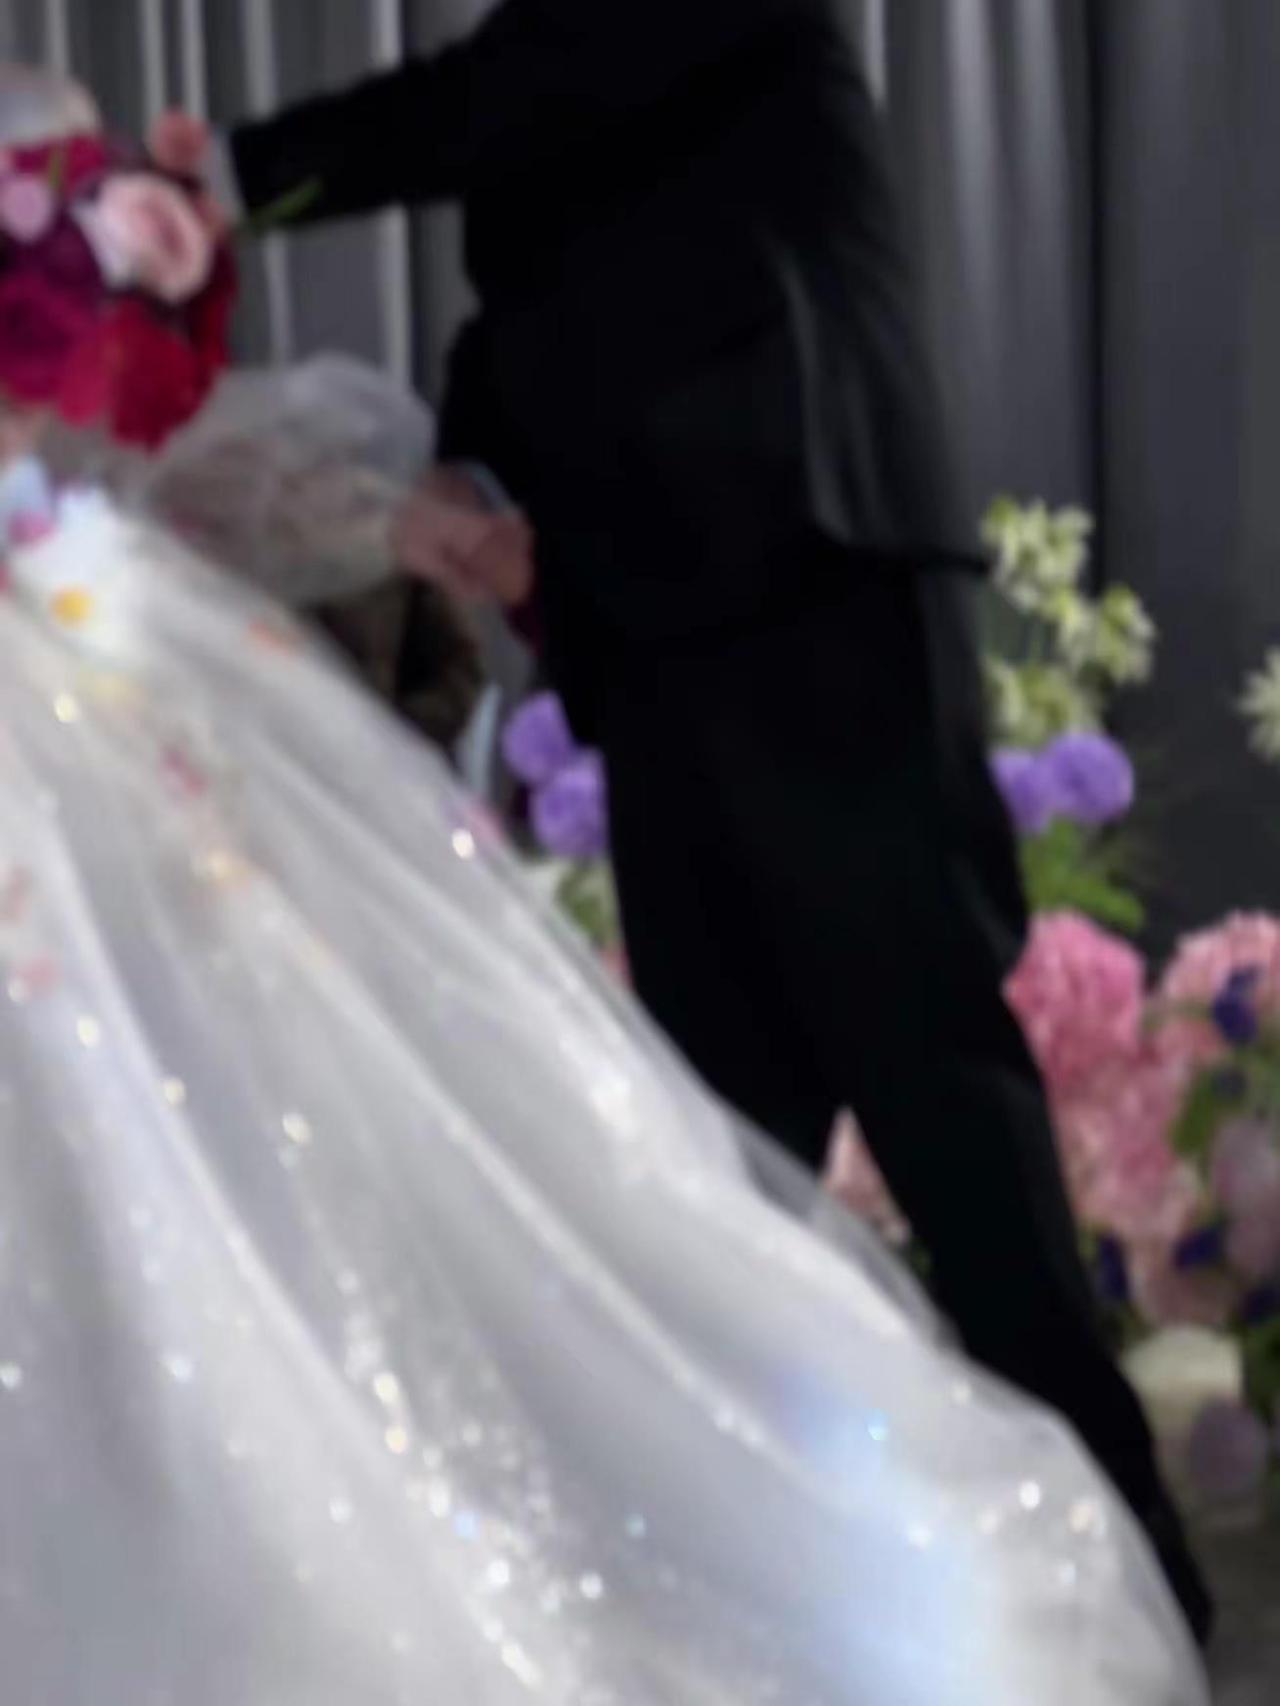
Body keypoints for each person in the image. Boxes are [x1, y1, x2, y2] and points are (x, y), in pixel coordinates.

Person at [0, 71, 1206, 1705]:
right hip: (668, 630)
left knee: (922, 1081)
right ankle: (768, 1516)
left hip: (811, 579)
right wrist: (458, 494)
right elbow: (542, 255)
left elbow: (537, 98)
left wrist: (233, 172)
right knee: (708, 1134)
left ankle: (1105, 1537)